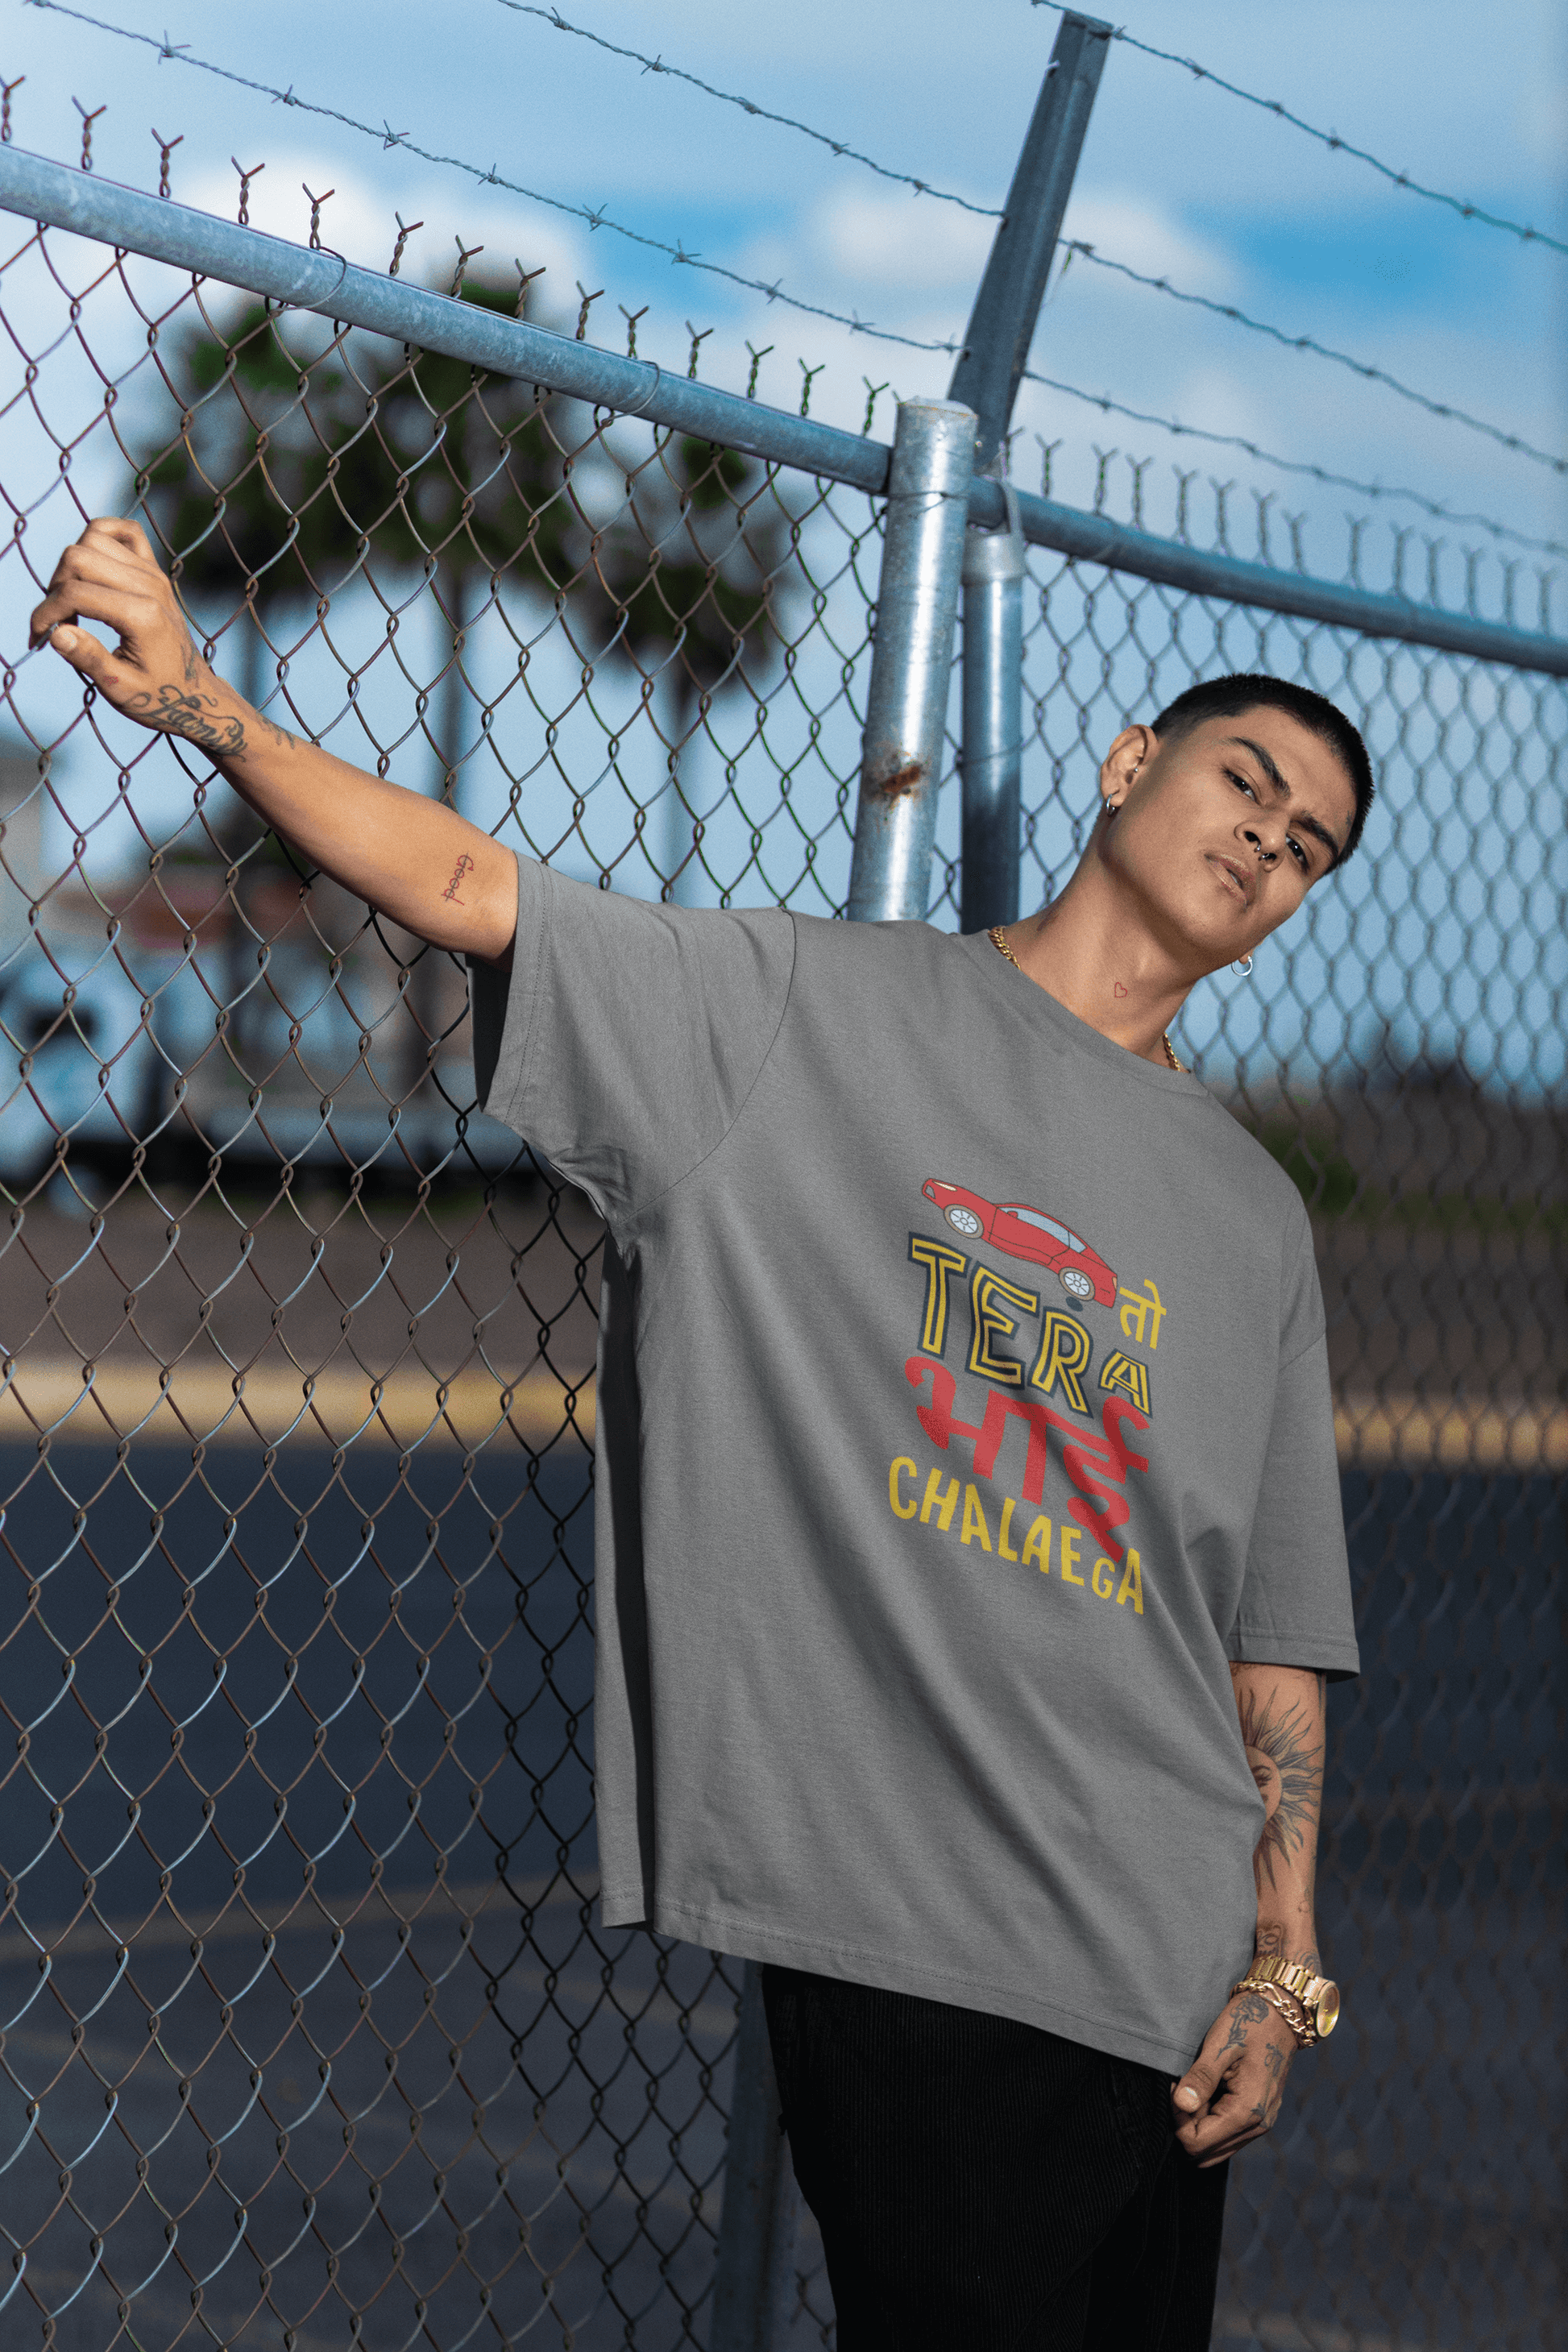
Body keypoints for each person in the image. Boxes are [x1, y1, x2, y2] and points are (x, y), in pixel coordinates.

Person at [33, 517, 1368, 2350]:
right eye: (1247, 781)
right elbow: (476, 883)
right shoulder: (803, 1013)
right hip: (927, 1940)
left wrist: (1280, 1960)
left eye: (1307, 847)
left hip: (1174, 1977)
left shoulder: (1249, 1210)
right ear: (1131, 764)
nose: (1265, 843)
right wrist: (204, 707)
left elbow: (1272, 1628)